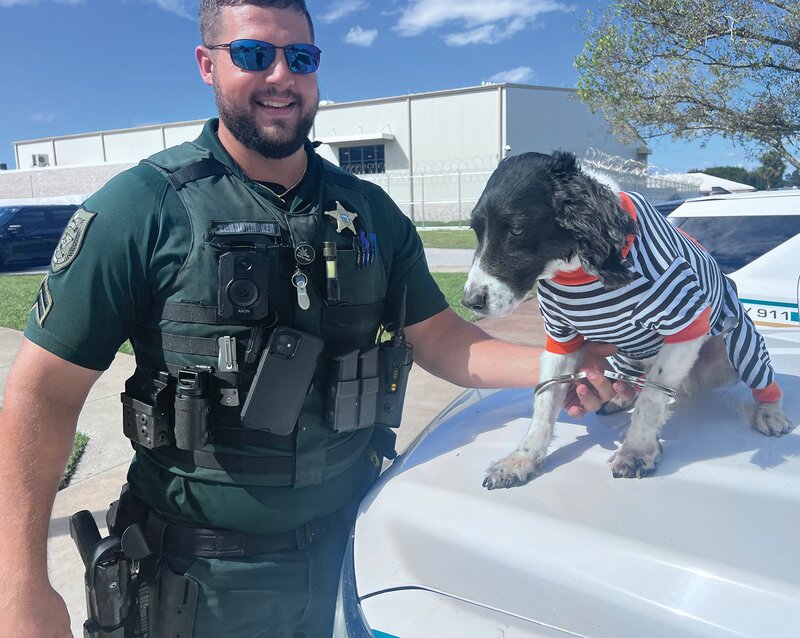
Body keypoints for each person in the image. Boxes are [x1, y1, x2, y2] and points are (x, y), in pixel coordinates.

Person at [0, 1, 629, 636]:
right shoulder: (142, 208)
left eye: (300, 57)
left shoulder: (371, 212)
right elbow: (42, 395)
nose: (281, 75)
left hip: (356, 554)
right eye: (252, 54)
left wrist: (564, 364)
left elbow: (442, 340)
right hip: (198, 585)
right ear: (206, 65)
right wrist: (20, 585)